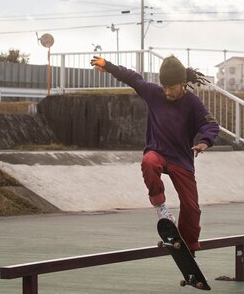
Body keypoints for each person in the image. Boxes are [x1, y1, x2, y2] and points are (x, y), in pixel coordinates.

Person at [90, 55, 220, 253]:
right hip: (158, 151)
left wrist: (204, 142)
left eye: (172, 88)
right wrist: (108, 66)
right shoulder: (154, 93)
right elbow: (132, 78)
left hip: (181, 160)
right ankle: (162, 210)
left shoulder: (192, 103)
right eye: (164, 86)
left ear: (183, 84)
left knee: (192, 208)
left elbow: (210, 124)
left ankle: (189, 248)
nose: (167, 92)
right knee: (149, 161)